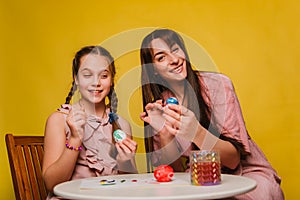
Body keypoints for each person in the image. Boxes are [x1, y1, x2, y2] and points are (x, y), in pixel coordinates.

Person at [139, 29, 284, 199]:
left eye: (175, 49)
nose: (174, 60)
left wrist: (196, 132)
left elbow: (233, 160)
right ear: (153, 70)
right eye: (161, 57)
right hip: (198, 180)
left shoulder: (218, 86)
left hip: (246, 174)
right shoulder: (160, 107)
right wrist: (164, 133)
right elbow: (174, 176)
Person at [42, 45, 138, 199]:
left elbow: (130, 188)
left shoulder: (121, 125)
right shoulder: (59, 120)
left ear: (112, 80)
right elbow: (51, 184)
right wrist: (75, 139)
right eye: (87, 75)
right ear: (76, 79)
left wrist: (125, 161)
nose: (96, 82)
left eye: (104, 76)